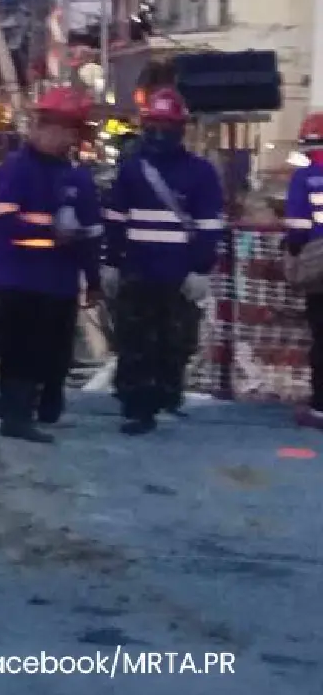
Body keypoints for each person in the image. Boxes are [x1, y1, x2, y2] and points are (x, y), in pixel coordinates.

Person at [0, 87, 103, 443]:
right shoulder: (17, 169)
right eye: (51, 126)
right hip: (19, 277)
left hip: (58, 281)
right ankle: (15, 414)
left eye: (67, 129)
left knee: (56, 348)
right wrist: (52, 230)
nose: (58, 135)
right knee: (19, 348)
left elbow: (91, 233)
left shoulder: (78, 178)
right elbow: (1, 222)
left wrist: (93, 280)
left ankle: (44, 403)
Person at [103, 88, 223, 435]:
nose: (159, 133)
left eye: (165, 125)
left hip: (177, 274)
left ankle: (167, 398)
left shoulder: (200, 174)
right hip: (138, 271)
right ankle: (136, 406)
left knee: (175, 342)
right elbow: (115, 218)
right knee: (134, 342)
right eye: (154, 125)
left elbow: (209, 225)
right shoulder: (131, 170)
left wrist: (201, 269)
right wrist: (110, 261)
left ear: (180, 128)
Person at [281, 113, 323, 431]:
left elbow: (297, 229)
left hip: (319, 266)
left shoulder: (304, 178)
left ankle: (320, 408)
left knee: (321, 337)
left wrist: (294, 254)